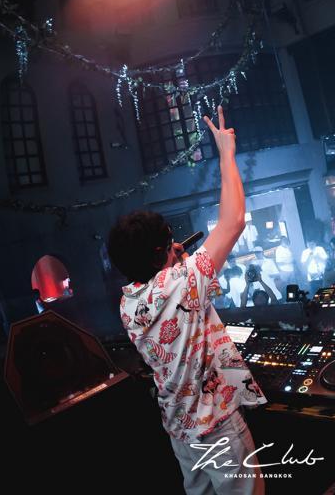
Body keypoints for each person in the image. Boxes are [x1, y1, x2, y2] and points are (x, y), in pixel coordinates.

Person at [109, 106, 266, 495]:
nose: (177, 245)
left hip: (180, 430)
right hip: (217, 426)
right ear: (159, 254)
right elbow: (233, 221)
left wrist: (169, 260)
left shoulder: (128, 303)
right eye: (170, 241)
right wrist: (226, 152)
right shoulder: (182, 282)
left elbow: (165, 292)